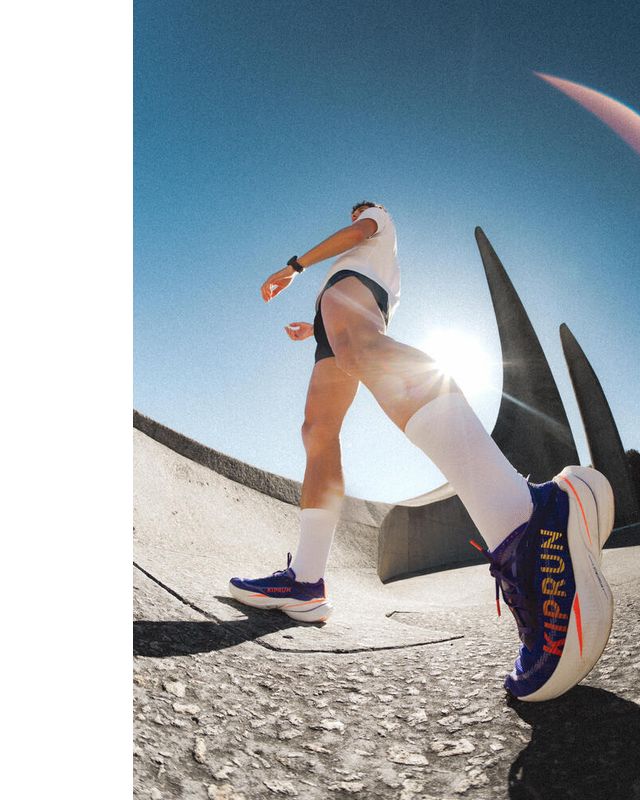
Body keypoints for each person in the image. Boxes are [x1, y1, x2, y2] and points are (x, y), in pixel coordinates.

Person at [230, 201, 615, 701]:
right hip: (333, 319)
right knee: (318, 430)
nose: (356, 211)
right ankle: (305, 580)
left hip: (350, 302)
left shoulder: (376, 222)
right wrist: (315, 327)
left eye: (359, 208)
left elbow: (354, 236)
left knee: (362, 350)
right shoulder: (363, 265)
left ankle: (525, 516)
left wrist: (295, 266)